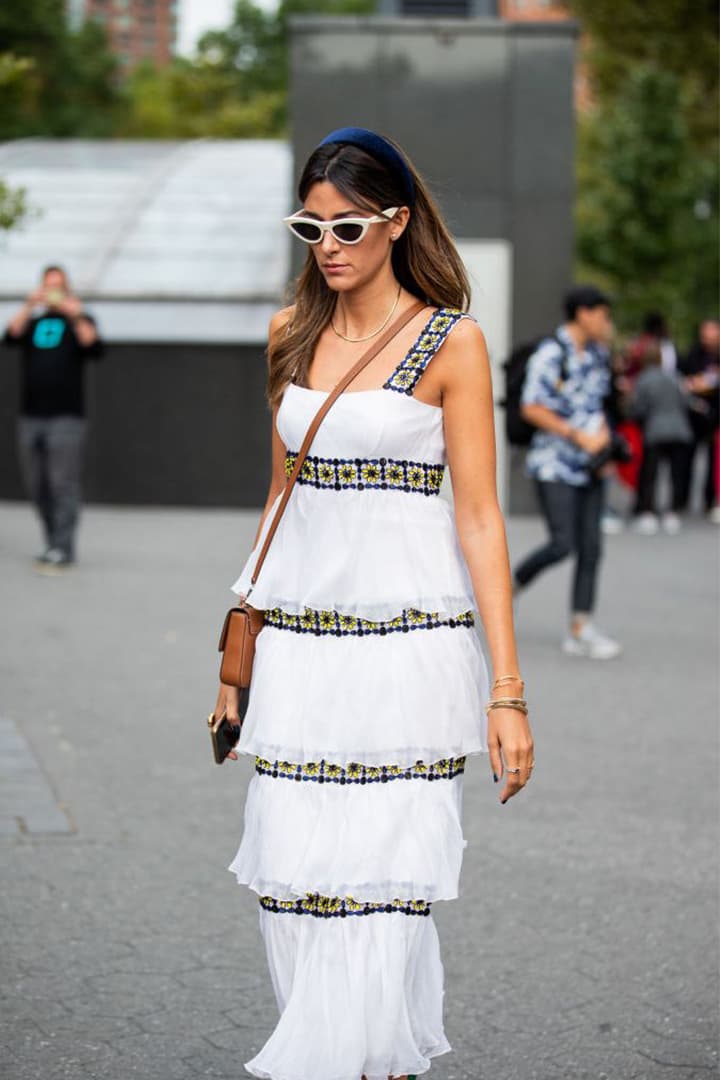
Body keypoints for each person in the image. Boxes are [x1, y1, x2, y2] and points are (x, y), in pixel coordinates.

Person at [213, 128, 534, 1080]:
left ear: (396, 223)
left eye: (348, 225)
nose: (330, 245)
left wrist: (507, 692)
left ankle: (368, 1060)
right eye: (309, 228)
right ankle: (344, 1049)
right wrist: (241, 651)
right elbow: (281, 501)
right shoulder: (289, 335)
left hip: (411, 651)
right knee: (295, 876)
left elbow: (479, 518)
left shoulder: (453, 341)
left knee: (384, 879)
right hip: (302, 653)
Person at [512, 285, 622, 660]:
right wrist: (577, 436)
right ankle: (512, 584)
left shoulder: (597, 355)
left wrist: (603, 439)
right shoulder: (551, 354)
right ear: (584, 313)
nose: (607, 323)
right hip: (554, 464)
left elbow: (599, 404)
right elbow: (532, 407)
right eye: (603, 315)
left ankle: (580, 628)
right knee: (563, 544)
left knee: (592, 548)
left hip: (591, 465)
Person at [3, 266, 103, 571]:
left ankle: (63, 546)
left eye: (59, 287)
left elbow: (93, 345)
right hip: (31, 416)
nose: (53, 293)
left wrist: (76, 314)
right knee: (37, 485)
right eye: (48, 287)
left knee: (63, 483)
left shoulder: (79, 322)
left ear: (68, 290)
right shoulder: (33, 322)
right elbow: (10, 335)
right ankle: (50, 540)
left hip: (66, 418)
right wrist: (30, 304)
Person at [629, 344, 693, 534]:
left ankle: (648, 512)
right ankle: (672, 511)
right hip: (680, 430)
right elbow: (686, 401)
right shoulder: (675, 377)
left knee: (651, 474)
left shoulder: (644, 379)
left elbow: (638, 408)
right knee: (675, 474)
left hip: (655, 430)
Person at [678, 318, 720, 520]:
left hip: (714, 415)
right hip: (693, 414)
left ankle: (710, 501)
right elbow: (684, 379)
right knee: (687, 458)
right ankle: (681, 500)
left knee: (714, 461)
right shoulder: (694, 354)